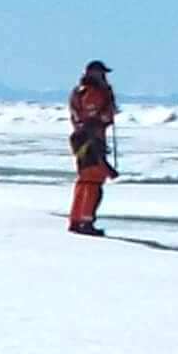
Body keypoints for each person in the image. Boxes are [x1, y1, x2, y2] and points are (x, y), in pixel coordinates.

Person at [67, 60, 119, 234]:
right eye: (101, 73)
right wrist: (107, 112)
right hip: (91, 140)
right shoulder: (92, 93)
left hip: (83, 140)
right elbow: (93, 116)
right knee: (92, 182)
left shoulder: (80, 92)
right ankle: (85, 221)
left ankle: (76, 219)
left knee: (84, 181)